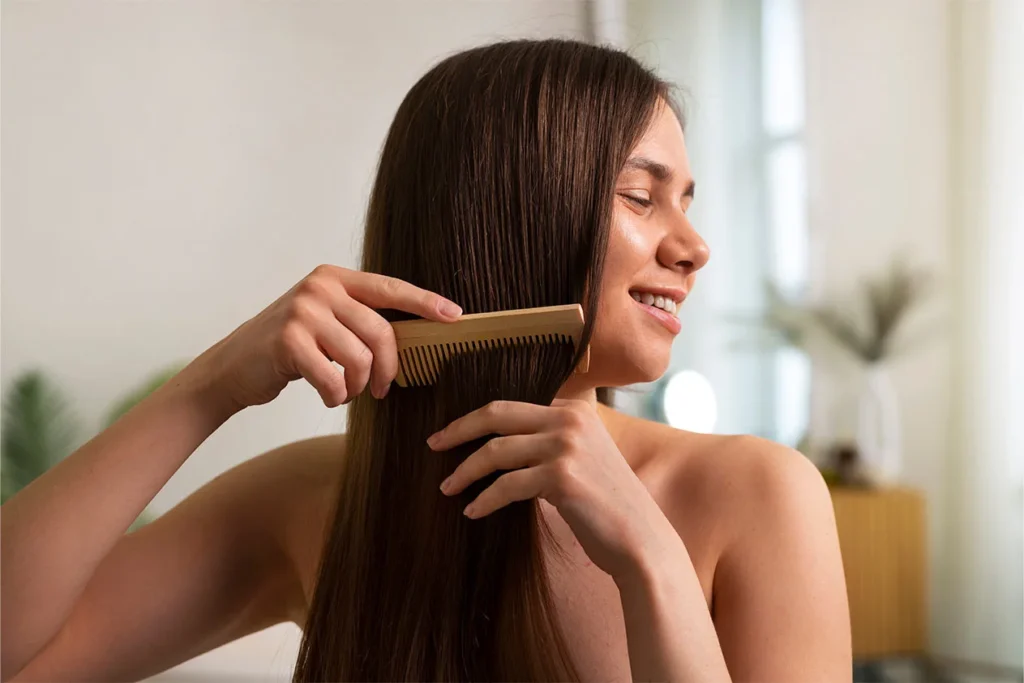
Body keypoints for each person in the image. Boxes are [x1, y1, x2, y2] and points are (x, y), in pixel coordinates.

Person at [1, 39, 851, 682]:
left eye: (687, 202)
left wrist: (648, 556)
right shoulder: (319, 501)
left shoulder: (758, 497)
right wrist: (213, 383)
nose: (695, 246)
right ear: (514, 216)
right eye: (641, 195)